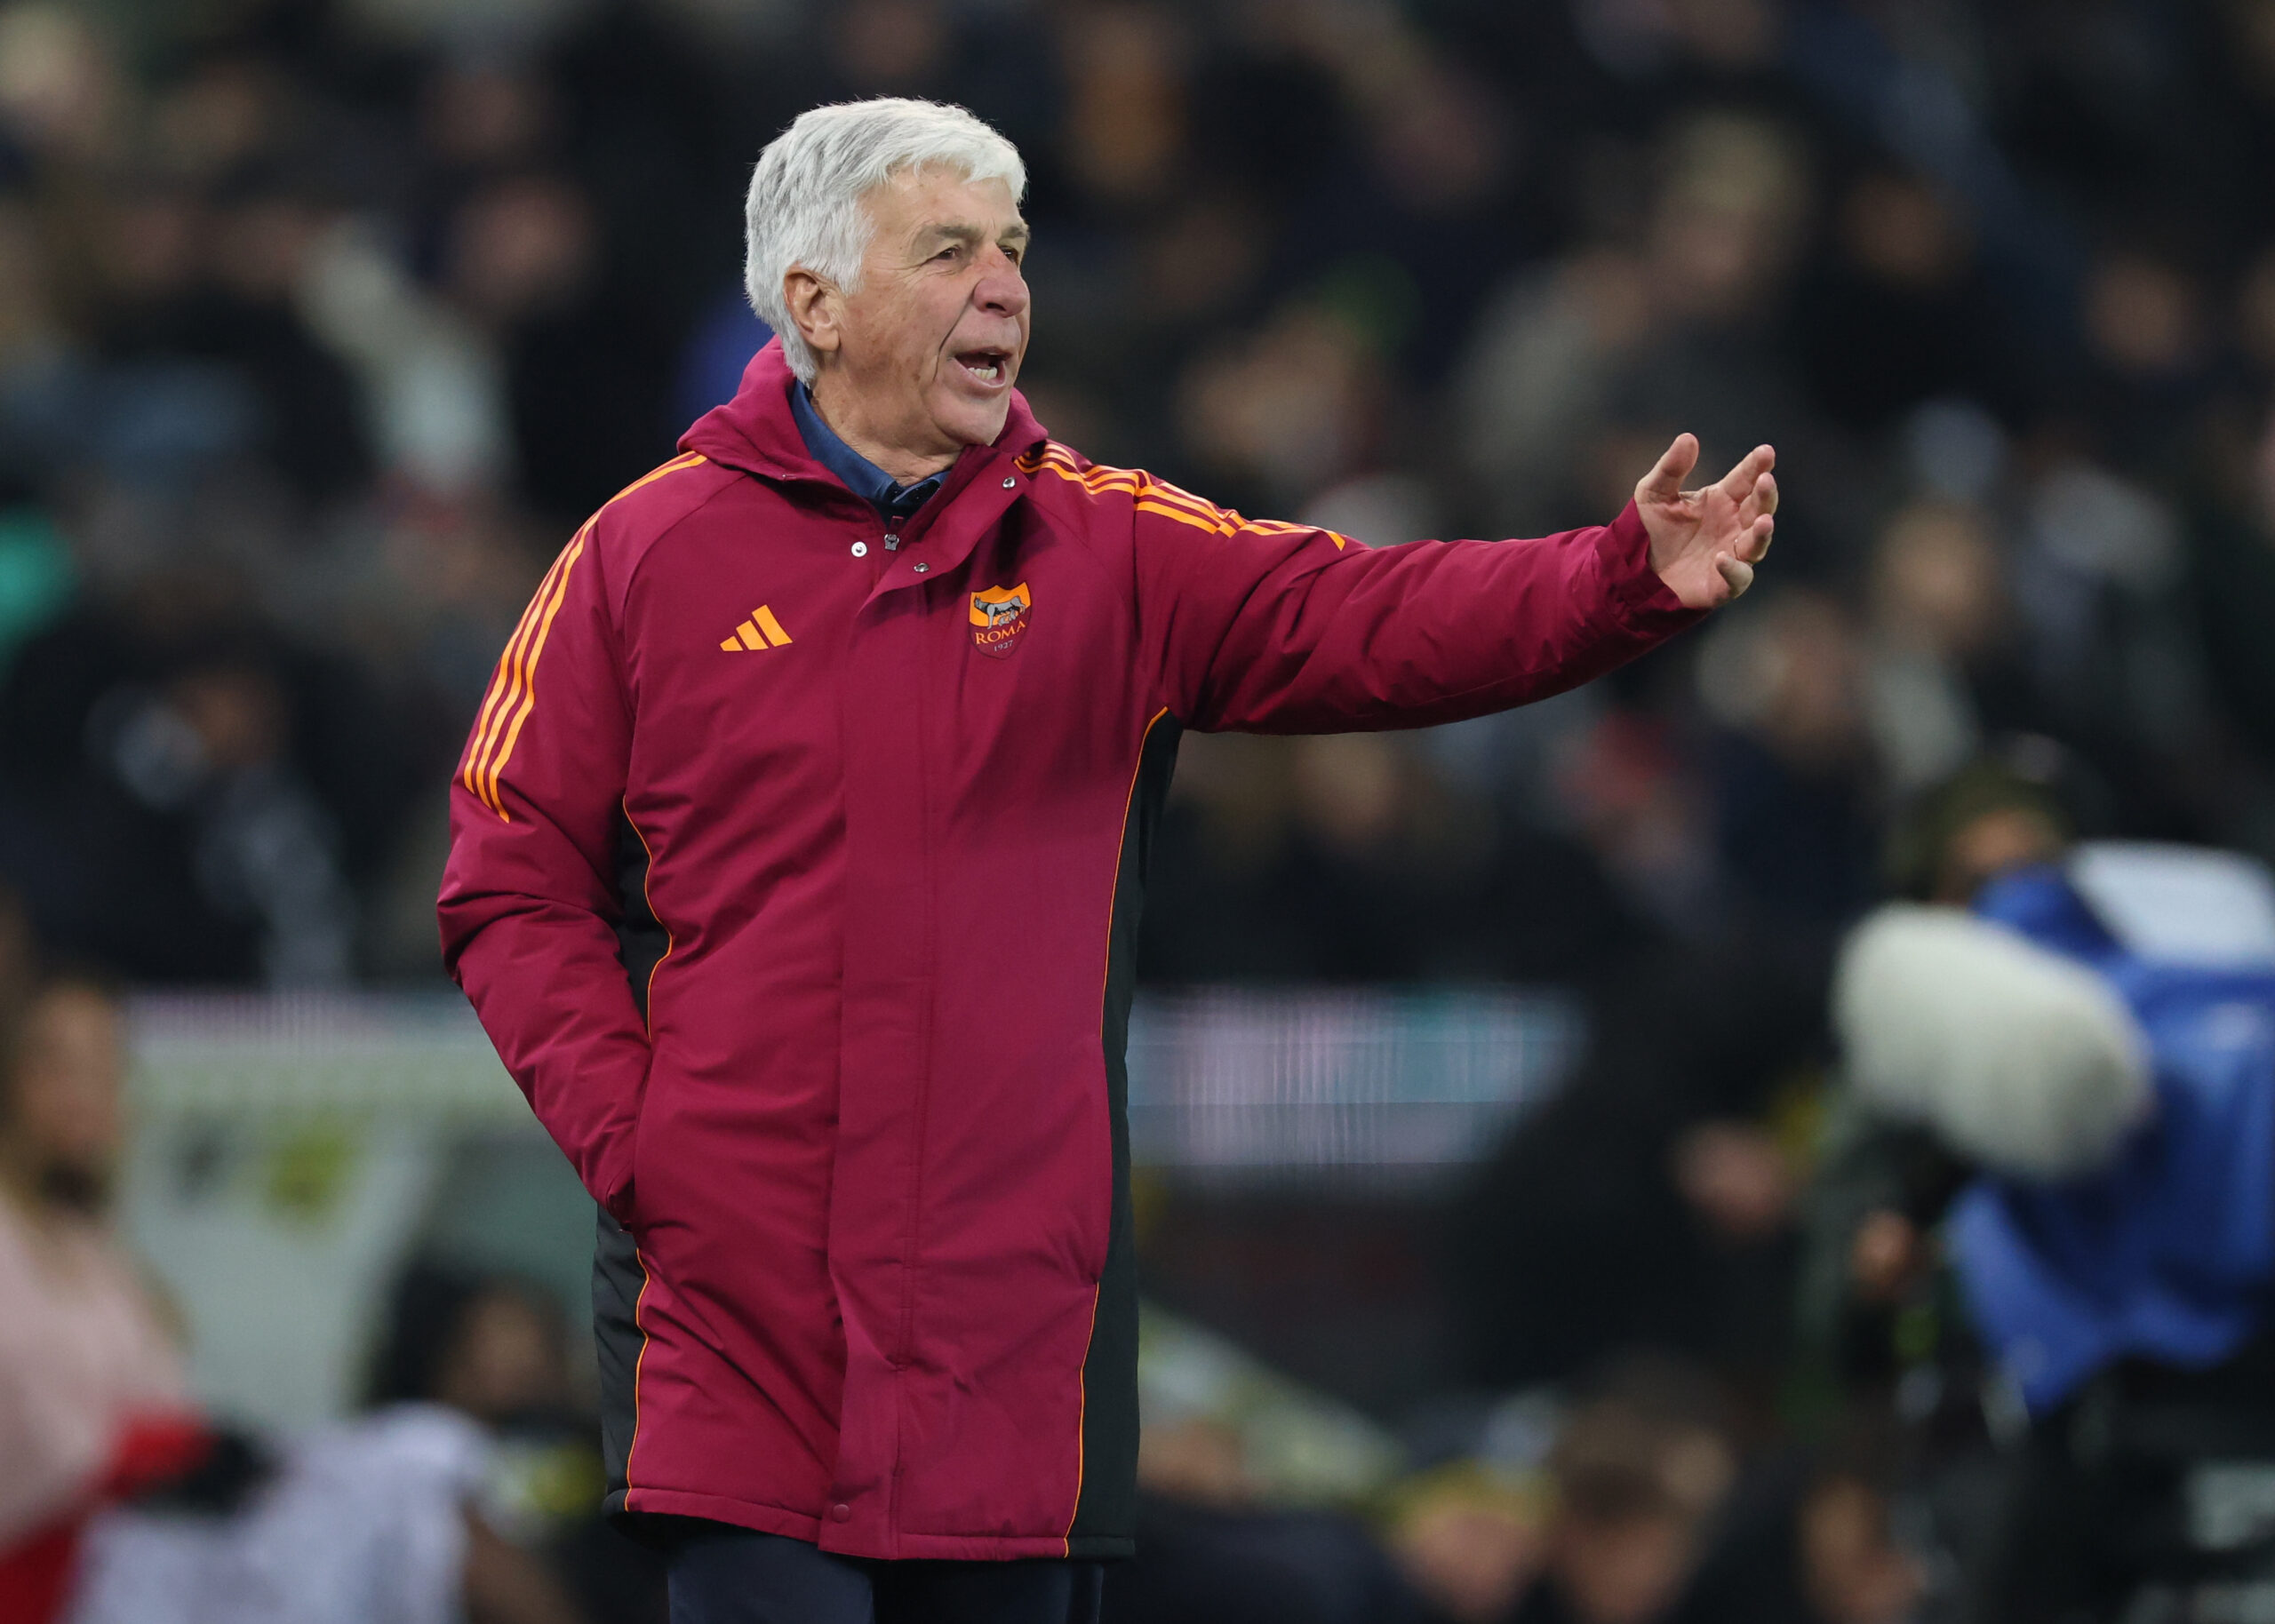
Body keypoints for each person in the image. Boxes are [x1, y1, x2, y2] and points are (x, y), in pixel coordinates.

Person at [438, 96, 1777, 1624]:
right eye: (949, 252)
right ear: (814, 301)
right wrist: (641, 1141)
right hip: (737, 1319)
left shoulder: (1111, 550)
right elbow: (506, 874)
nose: (1005, 288)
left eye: (1012, 250)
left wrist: (1615, 579)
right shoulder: (640, 556)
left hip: (1013, 1334)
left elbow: (1370, 617)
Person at [0, 975, 205, 1624]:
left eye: (101, 1069)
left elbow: (166, 1407)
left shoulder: (101, 1252)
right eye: (56, 1066)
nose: (80, 1093)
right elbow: (49, 1446)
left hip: (122, 1563)